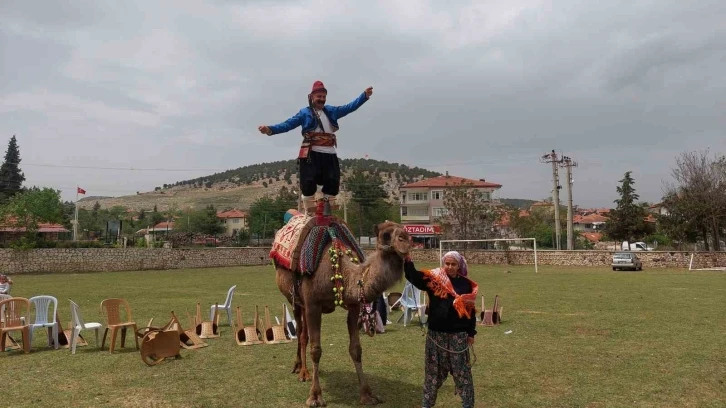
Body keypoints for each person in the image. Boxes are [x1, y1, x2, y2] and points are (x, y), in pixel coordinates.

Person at [258, 81, 373, 215]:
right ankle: (309, 209)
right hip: (311, 152)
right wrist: (270, 129)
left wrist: (364, 96)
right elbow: (287, 124)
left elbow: (349, 107)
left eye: (324, 97)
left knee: (332, 180)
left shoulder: (331, 111)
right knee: (308, 181)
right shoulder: (304, 113)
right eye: (319, 96)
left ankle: (327, 208)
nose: (322, 99)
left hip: (329, 153)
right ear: (312, 97)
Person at [404, 251, 478, 408]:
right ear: (444, 263)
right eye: (447, 263)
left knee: (463, 374)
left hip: (458, 337)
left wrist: (471, 333)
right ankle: (427, 405)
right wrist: (408, 261)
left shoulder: (466, 285)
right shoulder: (435, 279)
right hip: (436, 336)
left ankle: (468, 405)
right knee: (432, 374)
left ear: (459, 266)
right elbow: (415, 277)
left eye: (453, 264)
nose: (450, 267)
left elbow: (470, 312)